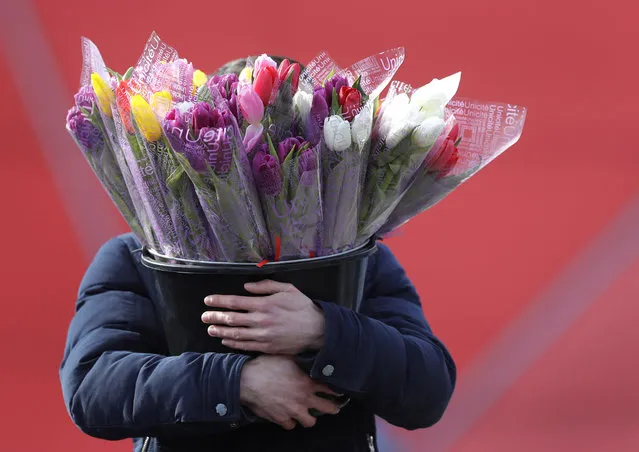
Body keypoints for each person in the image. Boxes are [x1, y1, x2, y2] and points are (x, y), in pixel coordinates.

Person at [59, 57, 457, 452]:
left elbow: (427, 389)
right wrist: (238, 384)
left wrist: (324, 330)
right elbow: (92, 387)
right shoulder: (137, 257)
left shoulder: (357, 259)